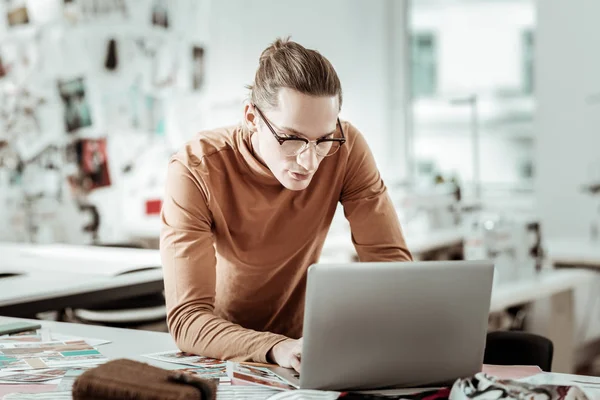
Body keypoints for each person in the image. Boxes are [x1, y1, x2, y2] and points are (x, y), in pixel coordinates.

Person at [160, 37, 413, 373]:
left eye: (323, 139)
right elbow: (188, 319)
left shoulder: (346, 148)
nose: (309, 161)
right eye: (291, 138)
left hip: (304, 352)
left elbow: (391, 268)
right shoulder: (196, 168)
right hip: (221, 352)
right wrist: (274, 346)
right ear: (251, 117)